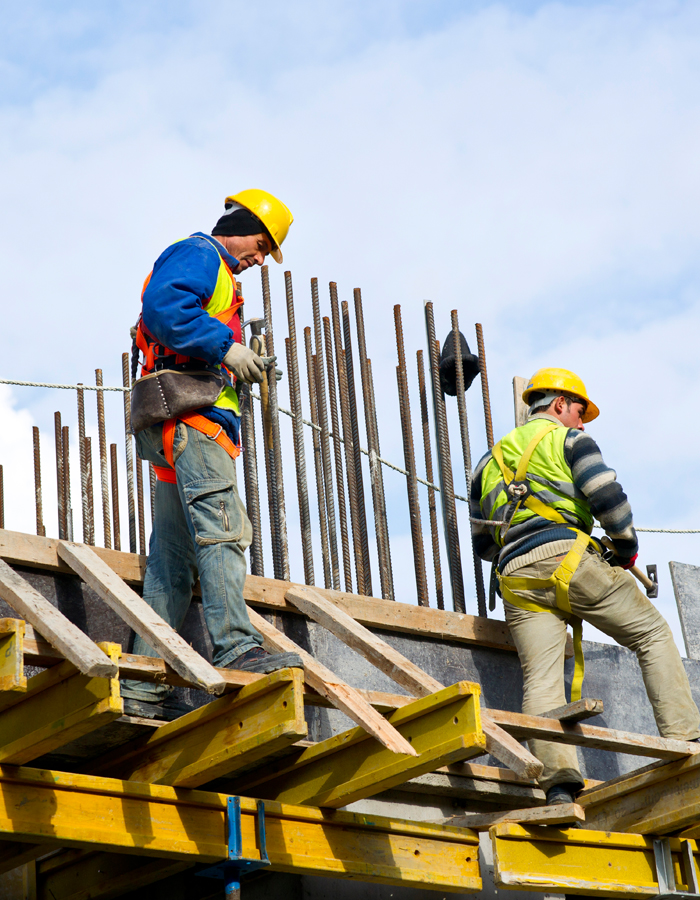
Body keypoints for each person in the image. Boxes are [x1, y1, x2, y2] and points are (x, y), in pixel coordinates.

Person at [470, 367, 700, 804]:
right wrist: (626, 549)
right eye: (579, 411)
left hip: (515, 577)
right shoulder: (569, 440)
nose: (581, 421)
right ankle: (688, 741)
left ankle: (558, 785)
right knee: (652, 634)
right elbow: (608, 498)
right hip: (570, 560)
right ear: (559, 405)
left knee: (541, 680)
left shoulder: (486, 463)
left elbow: (483, 542)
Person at [121, 190, 301, 720]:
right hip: (193, 424)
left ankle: (144, 683)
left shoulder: (219, 275)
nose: (260, 258)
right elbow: (164, 310)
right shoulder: (201, 254)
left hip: (177, 426)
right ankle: (237, 646)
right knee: (224, 531)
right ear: (238, 225)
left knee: (172, 562)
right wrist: (226, 348)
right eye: (261, 244)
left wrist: (232, 354)